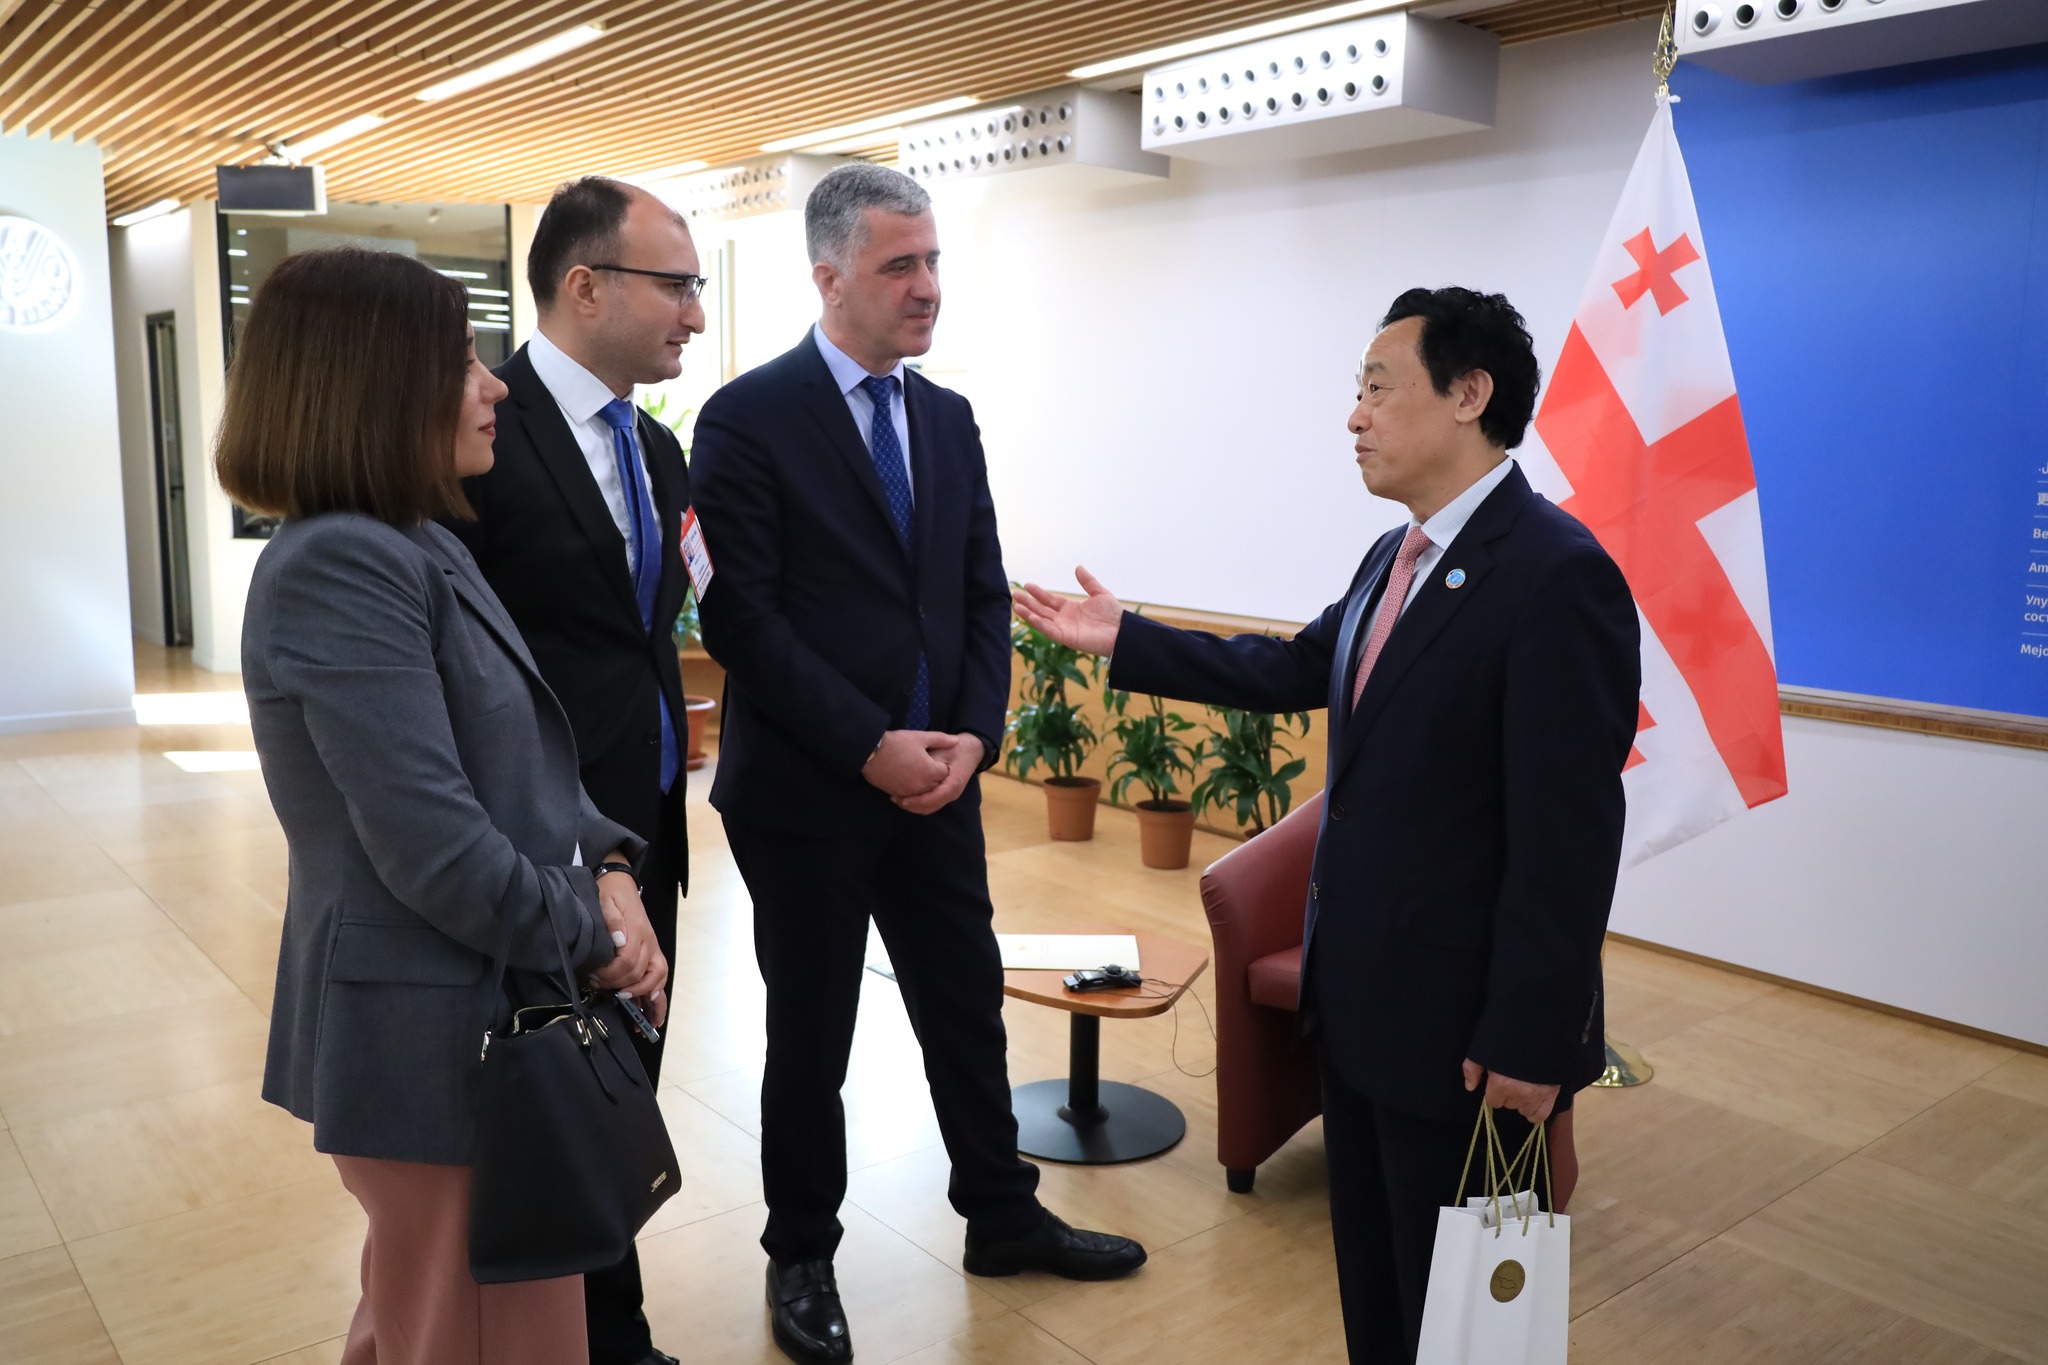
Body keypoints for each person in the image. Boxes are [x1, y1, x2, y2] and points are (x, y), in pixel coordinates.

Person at [1014, 287, 1640, 1365]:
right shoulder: (1391, 557)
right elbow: (1293, 668)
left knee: (1461, 1326)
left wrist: (1532, 1040)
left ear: (1468, 394)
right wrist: (1129, 638)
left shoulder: (1556, 574)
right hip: (1358, 1011)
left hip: (1464, 1039)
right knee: (1379, 1301)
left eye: (1376, 389)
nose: (1354, 416)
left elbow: (1568, 839)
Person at [688, 163, 1147, 1365]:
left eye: (933, 260)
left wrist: (973, 739)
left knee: (964, 1005)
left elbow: (980, 591)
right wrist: (867, 745)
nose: (927, 286)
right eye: (900, 265)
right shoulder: (744, 418)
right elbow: (741, 620)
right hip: (807, 796)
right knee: (812, 1035)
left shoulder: (944, 418)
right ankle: (801, 1253)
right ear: (828, 277)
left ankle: (999, 1215)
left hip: (938, 782)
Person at [220, 247, 671, 1365]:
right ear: (374, 386)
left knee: (417, 1322)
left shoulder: (417, 541)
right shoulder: (340, 565)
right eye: (462, 360)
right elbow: (436, 848)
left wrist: (611, 865)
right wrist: (598, 932)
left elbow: (527, 759)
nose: (493, 387)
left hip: (472, 1019)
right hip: (437, 1041)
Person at [441, 174, 700, 1365]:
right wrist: (565, 847)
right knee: (551, 1090)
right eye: (675, 286)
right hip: (539, 849)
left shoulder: (659, 448)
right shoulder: (477, 440)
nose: (694, 313)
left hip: (650, 831)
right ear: (585, 286)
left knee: (622, 1083)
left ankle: (612, 1327)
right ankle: (595, 1337)